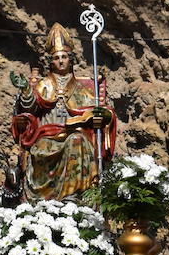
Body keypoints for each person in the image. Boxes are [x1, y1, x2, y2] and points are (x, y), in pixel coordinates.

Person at [9, 22, 116, 201]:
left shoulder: (82, 88)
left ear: (70, 60)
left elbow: (99, 110)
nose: (60, 61)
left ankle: (74, 196)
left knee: (76, 140)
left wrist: (103, 115)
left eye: (64, 57)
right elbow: (30, 108)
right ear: (51, 62)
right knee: (42, 149)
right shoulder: (44, 84)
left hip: (74, 134)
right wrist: (26, 90)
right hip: (46, 135)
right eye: (56, 58)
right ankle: (45, 201)